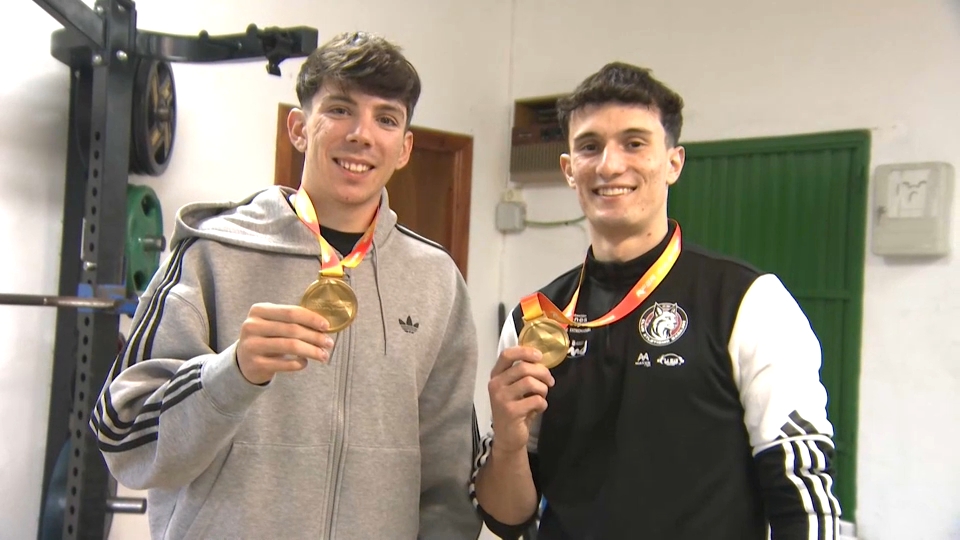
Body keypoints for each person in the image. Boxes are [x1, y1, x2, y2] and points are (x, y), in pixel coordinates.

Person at [90, 31, 482, 540]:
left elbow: (449, 481)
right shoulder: (212, 252)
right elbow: (123, 436)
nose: (362, 134)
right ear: (298, 128)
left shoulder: (437, 281)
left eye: (386, 119)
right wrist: (231, 373)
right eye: (340, 110)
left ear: (404, 148)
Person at [471, 62, 843, 540]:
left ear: (673, 163)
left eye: (634, 143)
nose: (609, 165)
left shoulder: (747, 302)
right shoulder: (536, 318)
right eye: (590, 146)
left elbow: (802, 498)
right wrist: (507, 441)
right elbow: (507, 520)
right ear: (569, 170)